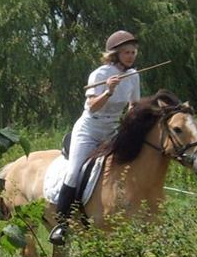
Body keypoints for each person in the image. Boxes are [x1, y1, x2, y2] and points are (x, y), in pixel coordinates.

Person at [49, 30, 141, 244]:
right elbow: (92, 107)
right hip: (89, 130)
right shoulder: (99, 74)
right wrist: (108, 91)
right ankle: (61, 226)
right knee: (73, 173)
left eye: (133, 52)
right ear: (115, 54)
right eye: (127, 52)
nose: (131, 56)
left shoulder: (134, 75)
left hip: (112, 131)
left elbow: (133, 105)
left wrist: (131, 124)